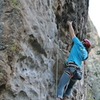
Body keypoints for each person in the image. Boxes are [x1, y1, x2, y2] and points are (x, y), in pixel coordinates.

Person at [56, 21, 91, 100]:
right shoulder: (85, 53)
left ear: (83, 43)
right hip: (77, 72)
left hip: (71, 69)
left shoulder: (78, 44)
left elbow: (72, 34)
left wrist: (70, 25)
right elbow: (82, 58)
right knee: (69, 88)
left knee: (61, 86)